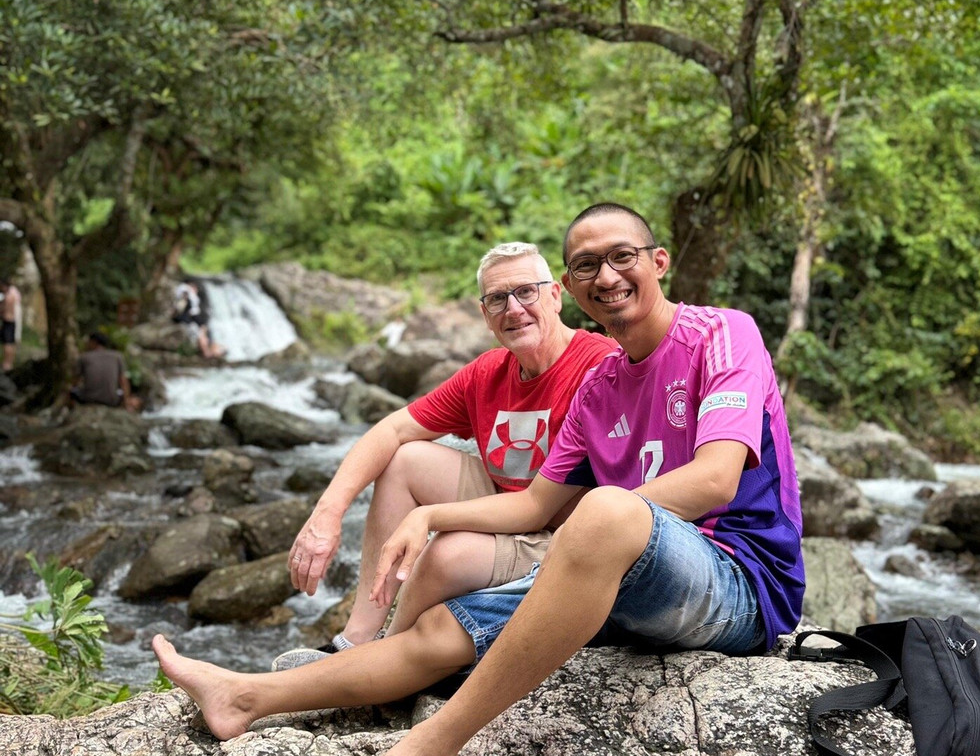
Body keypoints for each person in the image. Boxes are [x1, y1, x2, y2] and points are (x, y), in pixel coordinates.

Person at [151, 203, 803, 755]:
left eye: (622, 256)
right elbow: (535, 505)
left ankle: (428, 744)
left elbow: (716, 480)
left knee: (603, 513)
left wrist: (594, 525)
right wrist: (430, 516)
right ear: (573, 290)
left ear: (658, 262)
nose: (606, 275)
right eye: (587, 266)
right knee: (440, 630)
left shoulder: (722, 334)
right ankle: (244, 696)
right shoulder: (600, 388)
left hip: (739, 585)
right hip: (626, 573)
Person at [273, 241, 617, 667]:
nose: (513, 309)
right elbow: (392, 428)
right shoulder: (488, 372)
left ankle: (377, 666)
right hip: (506, 506)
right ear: (484, 314)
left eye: (526, 291)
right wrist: (328, 512)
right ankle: (355, 642)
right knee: (405, 459)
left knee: (445, 553)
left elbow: (540, 509)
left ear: (554, 295)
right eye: (497, 299)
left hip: (560, 533)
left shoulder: (600, 364)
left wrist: (431, 519)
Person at [68, 331, 139, 411]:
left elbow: (74, 382)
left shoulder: (84, 357)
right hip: (112, 400)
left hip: (88, 399)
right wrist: (126, 403)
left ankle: (70, 411)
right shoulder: (118, 356)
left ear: (93, 342)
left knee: (72, 391)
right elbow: (123, 381)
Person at [172, 280, 225, 359]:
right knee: (202, 333)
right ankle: (207, 352)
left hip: (192, 318)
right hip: (189, 318)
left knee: (203, 332)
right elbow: (185, 306)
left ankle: (210, 351)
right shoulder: (186, 291)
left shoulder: (187, 293)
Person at [0, 277, 21, 373]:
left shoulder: (12, 294)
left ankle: (8, 363)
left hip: (10, 321)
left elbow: (14, 309)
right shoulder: (6, 294)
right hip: (5, 321)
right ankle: (6, 362)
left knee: (9, 344)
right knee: (6, 343)